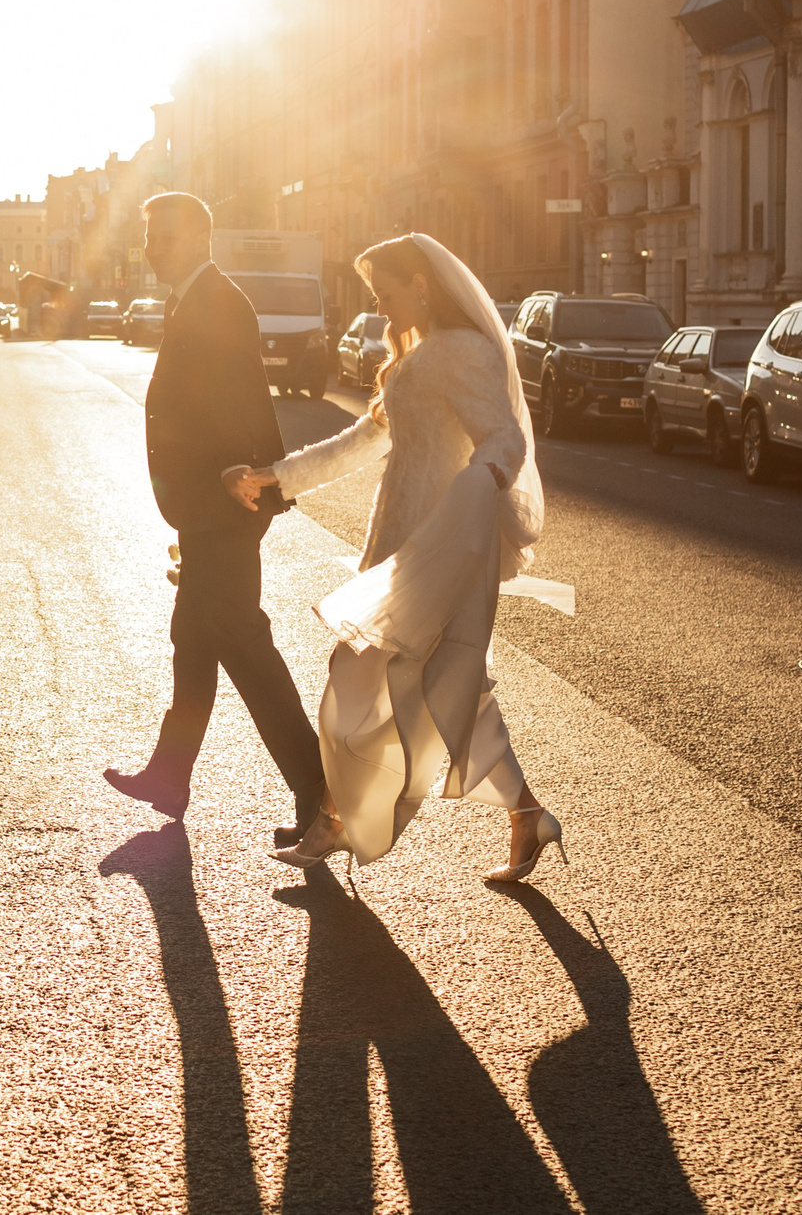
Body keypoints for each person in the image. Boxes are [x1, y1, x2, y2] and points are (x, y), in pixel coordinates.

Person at [225, 233, 563, 885]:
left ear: (422, 285)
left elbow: (504, 437)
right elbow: (363, 440)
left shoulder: (461, 352)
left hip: (447, 541)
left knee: (363, 674)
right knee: (447, 691)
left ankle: (333, 820)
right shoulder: (412, 356)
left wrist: (481, 480)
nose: (380, 307)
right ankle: (526, 814)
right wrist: (276, 474)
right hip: (401, 542)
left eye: (386, 293)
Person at [103, 191, 326, 847]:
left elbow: (237, 402)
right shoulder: (192, 298)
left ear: (198, 237)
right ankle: (170, 775)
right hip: (207, 507)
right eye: (146, 235)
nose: (150, 247)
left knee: (247, 650)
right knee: (193, 642)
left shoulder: (218, 301)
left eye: (161, 235)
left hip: (226, 505)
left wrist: (239, 469)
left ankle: (320, 785)